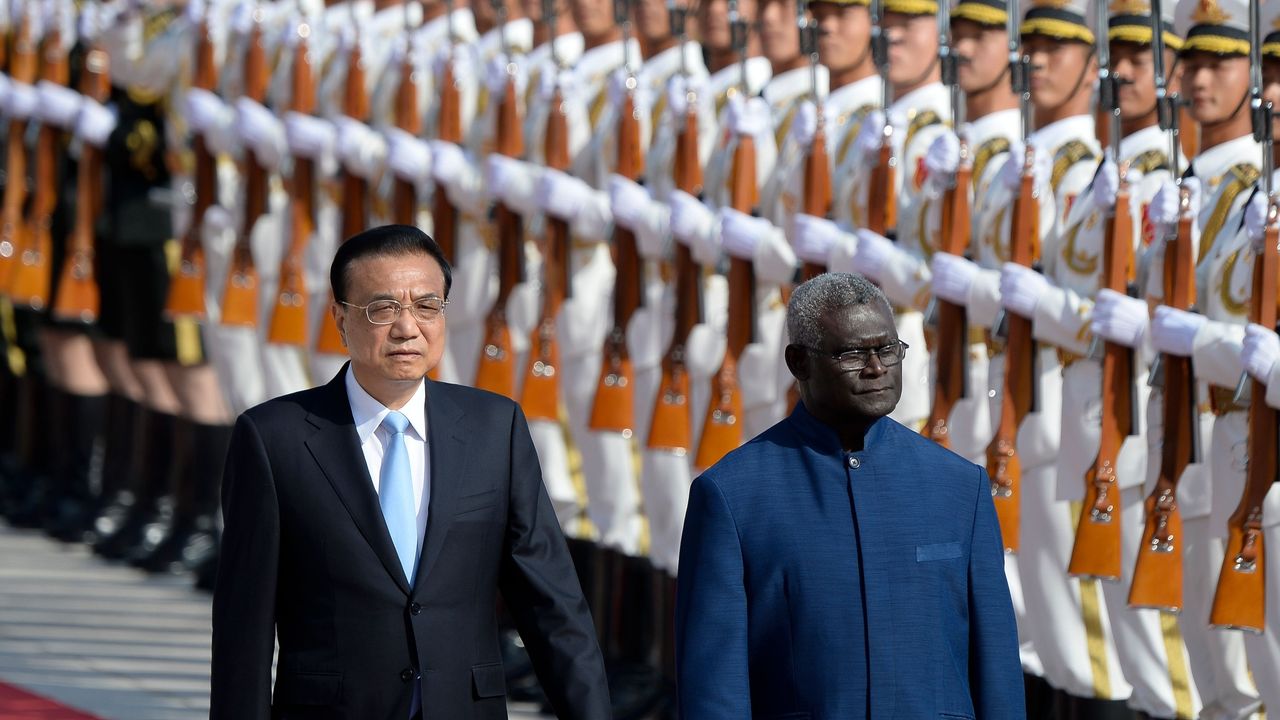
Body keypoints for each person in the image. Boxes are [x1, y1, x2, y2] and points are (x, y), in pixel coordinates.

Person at [210, 224, 610, 719]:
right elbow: (242, 629)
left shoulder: (494, 427)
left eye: (427, 306)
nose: (407, 328)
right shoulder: (275, 438)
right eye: (383, 309)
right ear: (339, 318)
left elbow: (552, 602)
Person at [675, 271, 1023, 719]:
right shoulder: (732, 497)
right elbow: (714, 690)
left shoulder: (960, 489)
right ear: (799, 363)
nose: (877, 368)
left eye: (888, 350)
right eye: (853, 353)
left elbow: (997, 676)